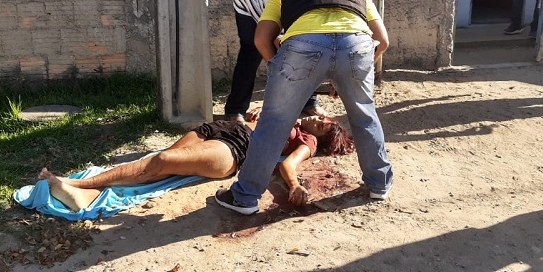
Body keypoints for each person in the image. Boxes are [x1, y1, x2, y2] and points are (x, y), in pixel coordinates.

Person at [214, 0, 393, 215]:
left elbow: (261, 40)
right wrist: (347, 75)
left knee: (275, 121)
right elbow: (383, 41)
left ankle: (245, 198)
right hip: (357, 46)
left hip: (303, 45)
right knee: (365, 116)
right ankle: (379, 184)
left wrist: (281, 71)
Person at [38, 114, 354, 211]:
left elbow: (289, 164)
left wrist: (295, 185)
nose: (320, 120)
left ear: (320, 138)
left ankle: (79, 184)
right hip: (220, 128)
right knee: (156, 164)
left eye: (323, 126)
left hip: (236, 147)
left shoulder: (307, 141)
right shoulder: (291, 113)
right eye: (324, 119)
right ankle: (87, 193)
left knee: (163, 159)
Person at [225, 0, 324, 122]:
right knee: (251, 52)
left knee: (308, 51)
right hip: (250, 0)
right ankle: (235, 110)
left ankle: (309, 101)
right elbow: (270, 44)